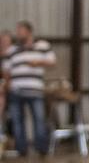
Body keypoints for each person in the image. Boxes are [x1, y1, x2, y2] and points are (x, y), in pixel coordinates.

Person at [3, 21, 55, 155]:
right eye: (17, 31)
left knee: (39, 119)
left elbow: (52, 62)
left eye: (21, 30)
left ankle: (41, 149)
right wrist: (7, 87)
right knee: (17, 121)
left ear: (29, 31)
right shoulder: (12, 50)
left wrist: (38, 62)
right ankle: (22, 150)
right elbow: (6, 71)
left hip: (35, 89)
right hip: (16, 90)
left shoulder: (42, 46)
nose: (18, 33)